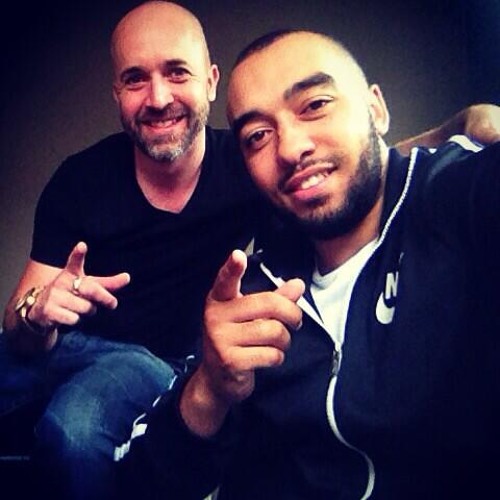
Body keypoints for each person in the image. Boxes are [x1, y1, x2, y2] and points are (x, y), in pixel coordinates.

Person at [117, 29, 500, 499]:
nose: (290, 148)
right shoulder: (253, 289)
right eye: (258, 136)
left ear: (376, 110)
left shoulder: (458, 196)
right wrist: (209, 389)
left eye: (315, 105)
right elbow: (135, 483)